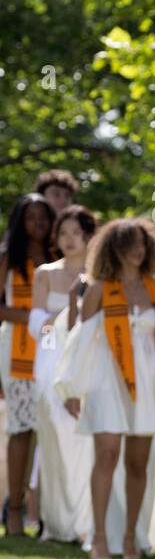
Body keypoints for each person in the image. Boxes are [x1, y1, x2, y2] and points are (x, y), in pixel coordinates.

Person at [54, 217, 155, 559]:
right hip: (107, 379)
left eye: (142, 243)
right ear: (113, 247)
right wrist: (73, 388)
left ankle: (131, 536)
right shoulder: (99, 288)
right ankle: (100, 537)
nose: (137, 250)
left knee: (138, 462)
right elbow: (81, 341)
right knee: (106, 455)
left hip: (146, 382)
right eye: (129, 243)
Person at [31, 205, 97, 543]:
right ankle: (55, 523)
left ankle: (84, 524)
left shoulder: (98, 275)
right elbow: (35, 326)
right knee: (54, 440)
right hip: (50, 361)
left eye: (77, 233)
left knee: (84, 443)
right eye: (64, 233)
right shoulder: (45, 273)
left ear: (89, 237)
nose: (69, 240)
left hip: (86, 359)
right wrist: (67, 312)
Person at [0, 193, 54, 535]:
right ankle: (15, 510)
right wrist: (32, 317)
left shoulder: (56, 257)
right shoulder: (7, 257)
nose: (39, 224)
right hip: (17, 348)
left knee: (50, 432)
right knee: (21, 430)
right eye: (32, 217)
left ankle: (51, 514)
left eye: (44, 218)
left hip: (51, 350)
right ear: (20, 221)